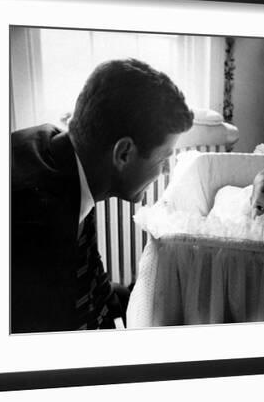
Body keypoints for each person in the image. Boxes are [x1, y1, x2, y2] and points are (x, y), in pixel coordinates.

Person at [11, 58, 194, 333]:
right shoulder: (37, 223)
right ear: (123, 153)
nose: (167, 171)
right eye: (164, 158)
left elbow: (90, 281)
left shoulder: (75, 162)